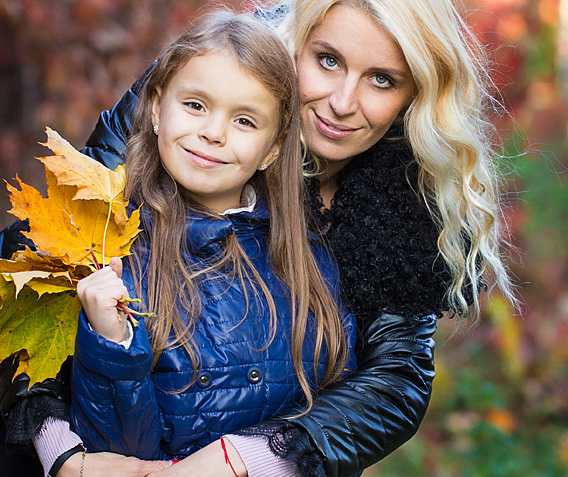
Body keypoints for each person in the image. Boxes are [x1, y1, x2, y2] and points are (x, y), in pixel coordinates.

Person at [0, 0, 512, 475]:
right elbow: (64, 261)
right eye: (327, 60)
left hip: (176, 418)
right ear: (297, 41)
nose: (341, 102)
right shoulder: (212, 84)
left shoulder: (409, 195)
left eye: (382, 79)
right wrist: (61, 449)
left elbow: (395, 380)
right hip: (10, 376)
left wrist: (249, 456)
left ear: (415, 95)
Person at [67, 11, 355, 462]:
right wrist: (113, 342)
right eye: (195, 105)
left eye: (245, 121)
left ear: (274, 148)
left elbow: (331, 431)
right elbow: (118, 455)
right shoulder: (113, 249)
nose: (213, 133)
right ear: (157, 108)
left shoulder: (309, 262)